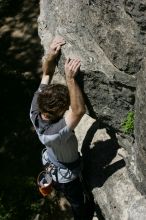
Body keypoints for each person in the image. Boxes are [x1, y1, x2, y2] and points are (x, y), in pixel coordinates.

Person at [30, 36, 86, 220]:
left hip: (52, 160)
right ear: (60, 112)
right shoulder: (55, 134)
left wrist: (50, 55)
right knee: (77, 201)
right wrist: (70, 79)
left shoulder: (36, 107)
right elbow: (78, 111)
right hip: (67, 175)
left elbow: (46, 75)